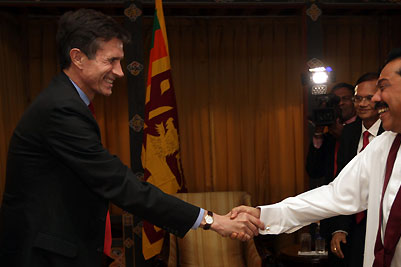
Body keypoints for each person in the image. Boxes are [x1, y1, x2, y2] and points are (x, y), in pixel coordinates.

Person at [0, 9, 263, 267]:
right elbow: (119, 184)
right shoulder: (61, 109)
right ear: (78, 58)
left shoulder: (66, 102)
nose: (120, 72)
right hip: (45, 255)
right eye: (111, 61)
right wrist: (212, 220)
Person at [232, 47, 401, 267]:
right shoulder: (384, 146)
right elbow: (334, 195)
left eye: (383, 87)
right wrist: (262, 214)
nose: (375, 98)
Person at [322, 72, 384, 267]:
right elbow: (343, 184)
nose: (362, 104)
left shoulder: (392, 132)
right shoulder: (349, 133)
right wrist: (339, 228)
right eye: (358, 98)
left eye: (369, 98)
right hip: (353, 223)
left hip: (381, 222)